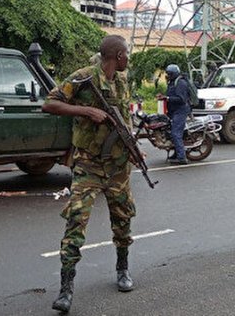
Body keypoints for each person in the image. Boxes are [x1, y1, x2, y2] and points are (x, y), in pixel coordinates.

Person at [42, 35, 137, 313]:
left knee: (122, 219)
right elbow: (49, 104)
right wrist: (85, 111)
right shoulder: (83, 77)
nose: (128, 59)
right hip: (88, 165)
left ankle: (123, 269)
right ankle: (66, 289)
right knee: (76, 222)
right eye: (126, 54)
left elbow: (125, 119)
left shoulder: (121, 80)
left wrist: (133, 148)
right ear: (118, 55)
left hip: (118, 165)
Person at [156, 64, 190, 165]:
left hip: (180, 111)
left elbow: (181, 99)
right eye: (167, 73)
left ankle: (182, 158)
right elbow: (171, 95)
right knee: (170, 133)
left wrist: (167, 98)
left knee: (176, 134)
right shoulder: (172, 82)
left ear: (174, 73)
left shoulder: (180, 83)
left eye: (169, 73)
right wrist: (164, 96)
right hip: (173, 111)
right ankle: (176, 154)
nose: (167, 75)